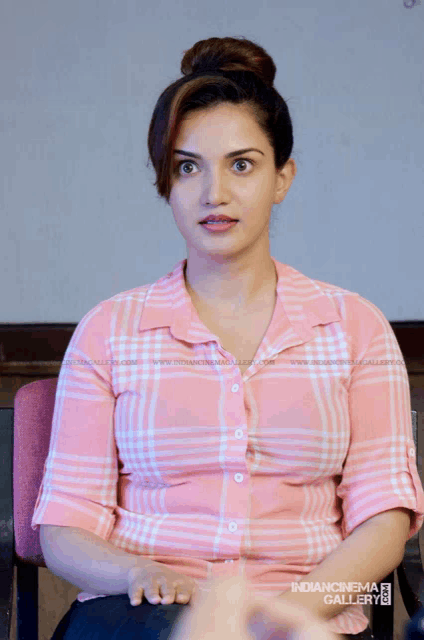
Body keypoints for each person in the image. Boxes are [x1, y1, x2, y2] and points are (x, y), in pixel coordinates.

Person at [32, 36, 424, 640]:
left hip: (309, 620)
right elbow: (63, 530)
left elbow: (383, 524)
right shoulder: (110, 331)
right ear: (165, 182)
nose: (214, 193)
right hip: (142, 619)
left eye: (242, 164)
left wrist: (285, 613)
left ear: (282, 177)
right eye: (188, 166)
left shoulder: (354, 327)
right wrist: (137, 571)